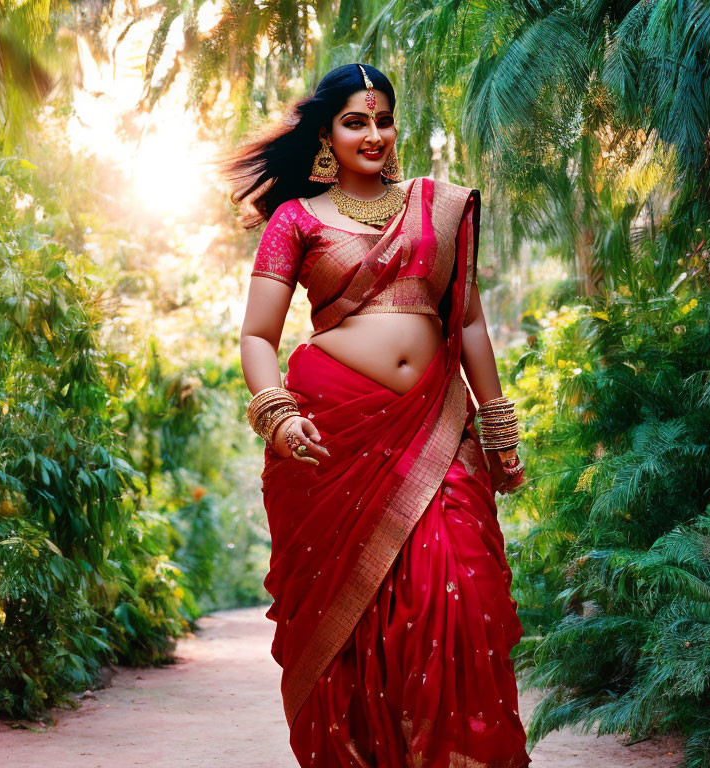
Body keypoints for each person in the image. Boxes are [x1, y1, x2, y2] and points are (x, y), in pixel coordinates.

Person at [224, 62, 530, 768]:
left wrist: (498, 425)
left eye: (383, 119)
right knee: (356, 619)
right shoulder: (295, 220)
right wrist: (276, 413)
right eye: (356, 121)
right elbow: (256, 337)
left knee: (464, 594)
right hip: (335, 436)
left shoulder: (439, 207)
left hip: (439, 426)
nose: (374, 134)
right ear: (327, 134)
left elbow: (472, 324)